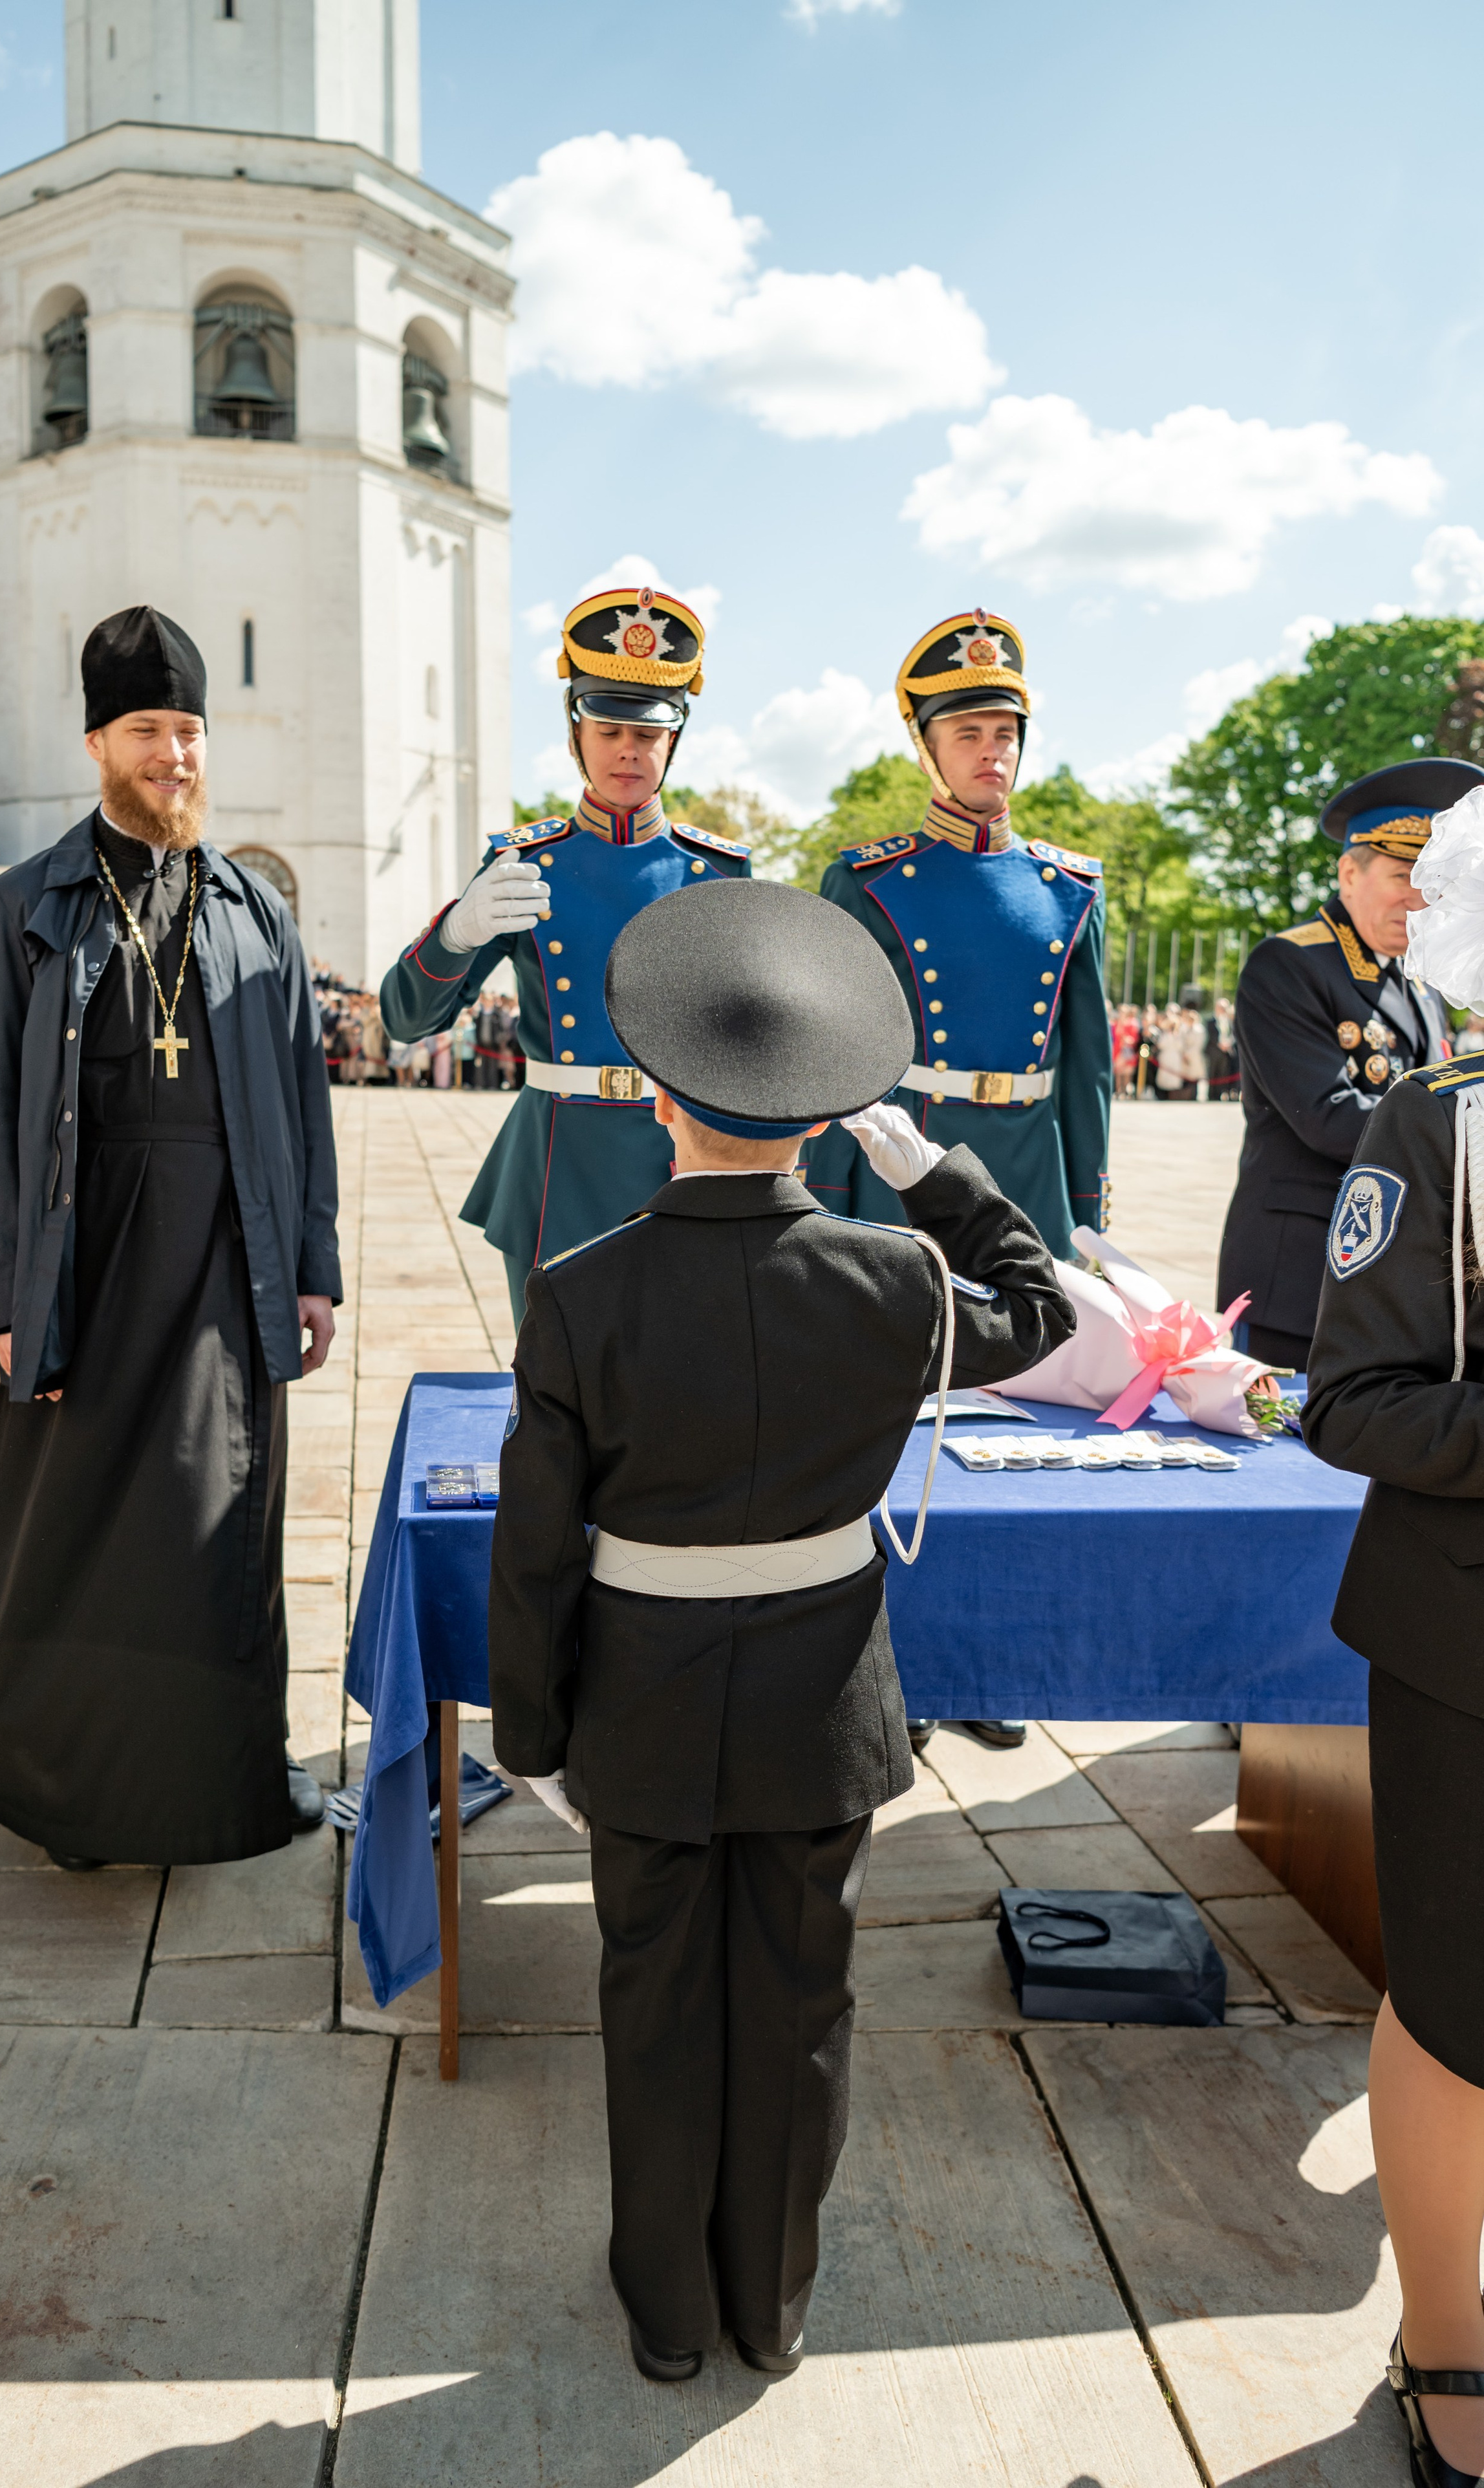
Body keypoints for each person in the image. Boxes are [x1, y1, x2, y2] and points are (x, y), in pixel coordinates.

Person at [488, 877, 1071, 2384]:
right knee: (803, 2008)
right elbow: (1040, 1309)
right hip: (819, 1699)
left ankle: (669, 2315)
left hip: (642, 1701)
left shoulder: (577, 1293)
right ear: (819, 1118)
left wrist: (531, 1731)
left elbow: (533, 1548)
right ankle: (771, 2303)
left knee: (654, 2005)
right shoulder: (892, 1276)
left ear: (660, 1102)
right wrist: (933, 1172)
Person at [0, 605, 341, 1868]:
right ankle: (69, 1793)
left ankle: (219, 1778)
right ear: (97, 744)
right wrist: (13, 1299)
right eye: (146, 732)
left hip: (229, 1265)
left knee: (214, 1524)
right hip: (89, 1264)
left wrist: (317, 1270)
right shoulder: (25, 905)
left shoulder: (255, 910)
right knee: (74, 1531)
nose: (173, 754)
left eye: (187, 731)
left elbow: (303, 1101)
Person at [806, 606, 1107, 1753]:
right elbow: (837, 1054)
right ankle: (899, 1660)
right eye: (969, 732)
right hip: (909, 1164)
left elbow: (1088, 1064)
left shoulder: (1070, 886)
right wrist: (830, 1208)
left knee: (1018, 1417)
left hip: (1024, 1171)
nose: (992, 753)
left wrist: (1084, 1210)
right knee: (899, 1418)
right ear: (927, 747)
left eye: (1005, 733)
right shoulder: (870, 881)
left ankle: (989, 1657)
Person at [1301, 781, 1484, 2488]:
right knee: (1457, 2001)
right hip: (1464, 1639)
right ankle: (1444, 2341)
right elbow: (1347, 1401)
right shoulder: (1438, 1124)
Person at [379, 586, 750, 1328]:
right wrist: (457, 932)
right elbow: (405, 1022)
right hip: (559, 1161)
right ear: (575, 730)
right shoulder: (524, 863)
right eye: (608, 727)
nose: (627, 749)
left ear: (673, 741)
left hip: (683, 1158)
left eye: (648, 732)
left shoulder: (717, 872)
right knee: (556, 1380)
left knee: (680, 1374)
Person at [1218, 758, 1481, 1372]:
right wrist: (1468, 1142)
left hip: (1390, 1275)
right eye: (1403, 875)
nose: (1419, 897)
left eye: (1430, 878)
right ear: (1348, 873)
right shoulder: (1288, 964)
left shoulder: (1418, 983)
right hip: (1300, 1276)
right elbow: (1329, 1116)